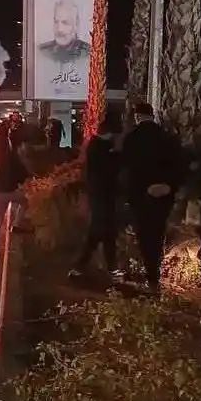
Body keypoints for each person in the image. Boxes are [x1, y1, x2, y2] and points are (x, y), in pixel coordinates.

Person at [120, 102, 185, 292]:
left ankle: (150, 277)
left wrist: (130, 195)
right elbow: (179, 166)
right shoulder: (168, 137)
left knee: (143, 236)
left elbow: (126, 170)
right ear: (152, 115)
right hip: (163, 196)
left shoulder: (131, 139)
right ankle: (154, 277)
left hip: (140, 197)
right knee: (157, 234)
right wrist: (169, 186)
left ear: (137, 116)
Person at [69, 117, 120, 281]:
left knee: (106, 232)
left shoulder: (97, 144)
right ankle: (80, 267)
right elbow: (109, 169)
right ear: (111, 133)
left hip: (101, 194)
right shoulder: (100, 147)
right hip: (102, 195)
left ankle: (111, 267)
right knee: (98, 231)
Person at [0, 127, 28, 258]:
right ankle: (16, 224)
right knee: (26, 202)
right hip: (12, 192)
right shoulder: (18, 157)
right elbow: (23, 176)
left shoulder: (3, 155)